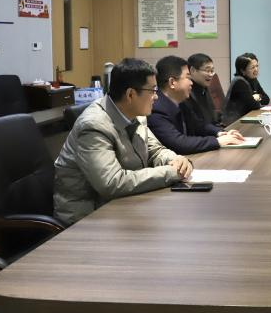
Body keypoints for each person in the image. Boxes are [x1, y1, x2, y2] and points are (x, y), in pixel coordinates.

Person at [53, 58, 193, 226]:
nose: (156, 97)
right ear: (131, 94)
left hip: (121, 207)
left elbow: (155, 150)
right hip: (86, 220)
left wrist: (175, 160)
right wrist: (170, 173)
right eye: (152, 90)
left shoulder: (136, 114)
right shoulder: (94, 125)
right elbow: (112, 183)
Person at [148, 56, 243, 154]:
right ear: (172, 82)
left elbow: (199, 125)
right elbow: (179, 143)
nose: (191, 83)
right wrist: (217, 141)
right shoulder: (156, 108)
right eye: (188, 78)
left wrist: (221, 133)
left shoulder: (182, 102)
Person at [222, 53, 270, 124]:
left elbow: (266, 99)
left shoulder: (253, 79)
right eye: (252, 67)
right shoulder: (239, 82)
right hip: (234, 123)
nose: (256, 69)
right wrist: (256, 99)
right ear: (243, 71)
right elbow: (254, 105)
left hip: (246, 117)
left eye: (257, 66)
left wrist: (258, 96)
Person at [186, 52, 222, 125]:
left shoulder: (204, 88)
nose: (211, 75)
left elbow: (212, 117)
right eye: (207, 70)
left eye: (212, 71)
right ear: (192, 70)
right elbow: (198, 124)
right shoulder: (187, 92)